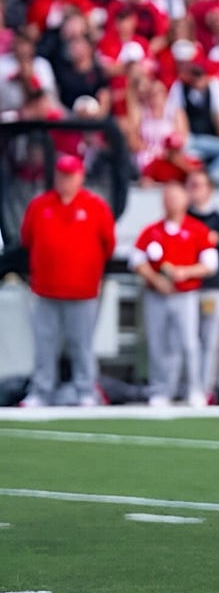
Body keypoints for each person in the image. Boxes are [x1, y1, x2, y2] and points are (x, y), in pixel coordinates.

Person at [18, 154, 116, 407]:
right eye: (62, 175)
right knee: (44, 344)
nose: (65, 180)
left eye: (70, 175)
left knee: (81, 344)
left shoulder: (95, 206)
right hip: (45, 289)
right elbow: (27, 239)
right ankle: (41, 391)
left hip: (82, 290)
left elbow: (108, 245)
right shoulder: (40, 205)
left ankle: (86, 391)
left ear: (80, 177)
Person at [131, 181, 218, 408]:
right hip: (157, 295)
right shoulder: (152, 231)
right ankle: (161, 390)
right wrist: (155, 279)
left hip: (185, 295)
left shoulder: (197, 229)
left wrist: (184, 272)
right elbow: (137, 260)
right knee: (158, 343)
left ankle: (195, 389)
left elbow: (210, 264)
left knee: (189, 342)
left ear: (185, 200)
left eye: (175, 197)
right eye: (167, 197)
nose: (170, 202)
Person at [184, 170, 219, 402]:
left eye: (199, 185)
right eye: (191, 185)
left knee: (209, 340)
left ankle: (205, 388)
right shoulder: (183, 217)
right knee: (186, 340)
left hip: (211, 287)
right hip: (185, 289)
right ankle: (187, 386)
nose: (195, 190)